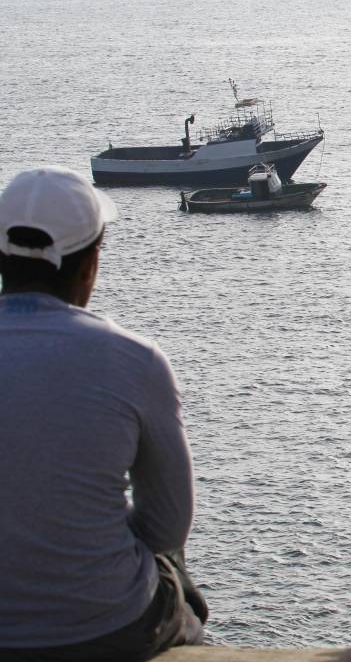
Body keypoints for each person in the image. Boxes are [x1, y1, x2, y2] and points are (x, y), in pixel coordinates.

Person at [0, 166, 207, 661]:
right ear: (91, 262)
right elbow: (166, 527)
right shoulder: (134, 359)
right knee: (178, 581)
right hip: (101, 628)